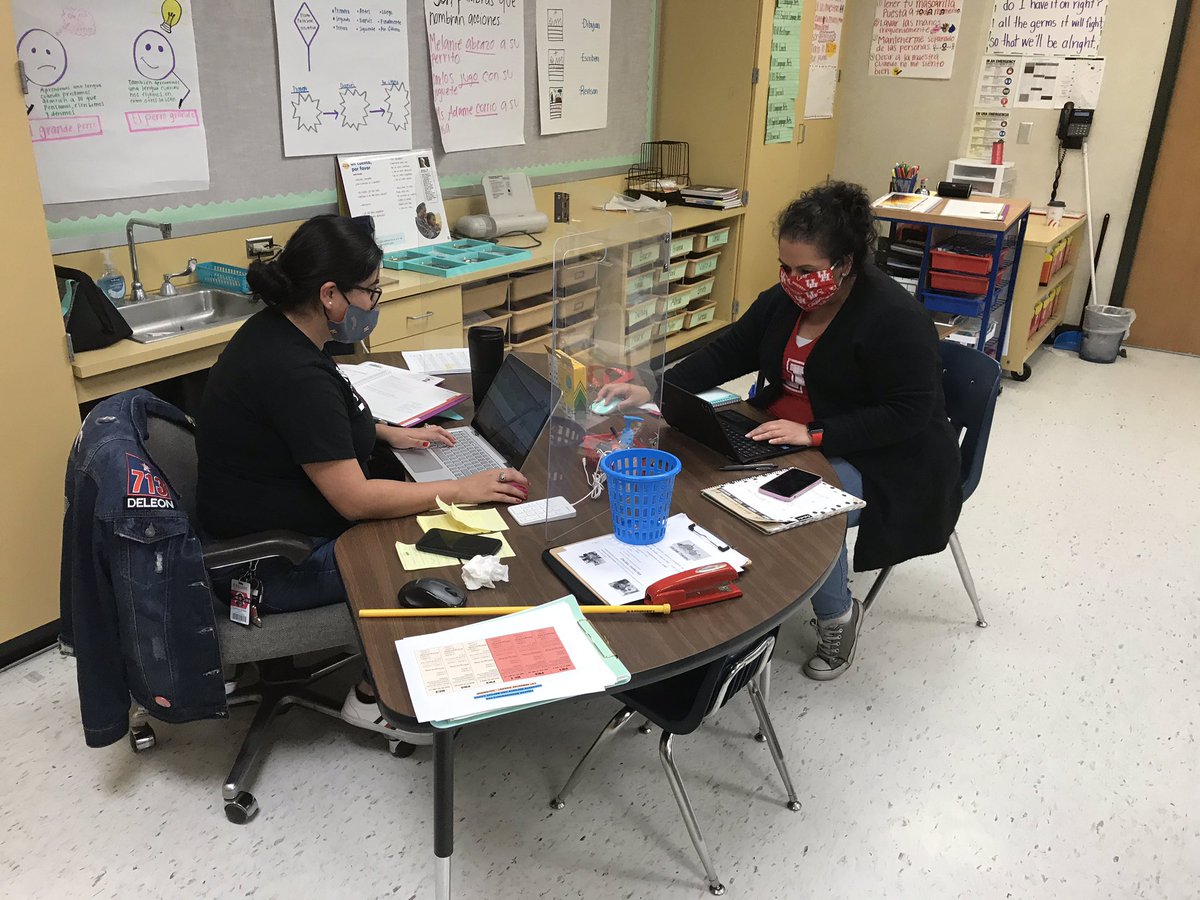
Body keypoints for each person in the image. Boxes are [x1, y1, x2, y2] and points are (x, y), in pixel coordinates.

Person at [599, 182, 962, 680]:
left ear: (847, 263)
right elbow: (728, 350)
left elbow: (909, 413)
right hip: (779, 431)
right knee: (700, 472)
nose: (794, 281)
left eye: (807, 271)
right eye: (786, 268)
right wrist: (655, 387)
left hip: (883, 456)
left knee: (803, 508)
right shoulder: (786, 301)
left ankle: (838, 615)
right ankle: (716, 599)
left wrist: (813, 433)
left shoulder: (895, 319)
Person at [195, 214, 529, 734]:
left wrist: (383, 433)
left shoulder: (276, 332)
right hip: (272, 563)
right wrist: (462, 489)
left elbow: (306, 428)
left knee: (418, 495)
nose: (375, 304)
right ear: (330, 295)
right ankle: (374, 698)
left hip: (250, 528)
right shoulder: (294, 372)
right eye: (371, 292)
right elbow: (355, 500)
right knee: (431, 538)